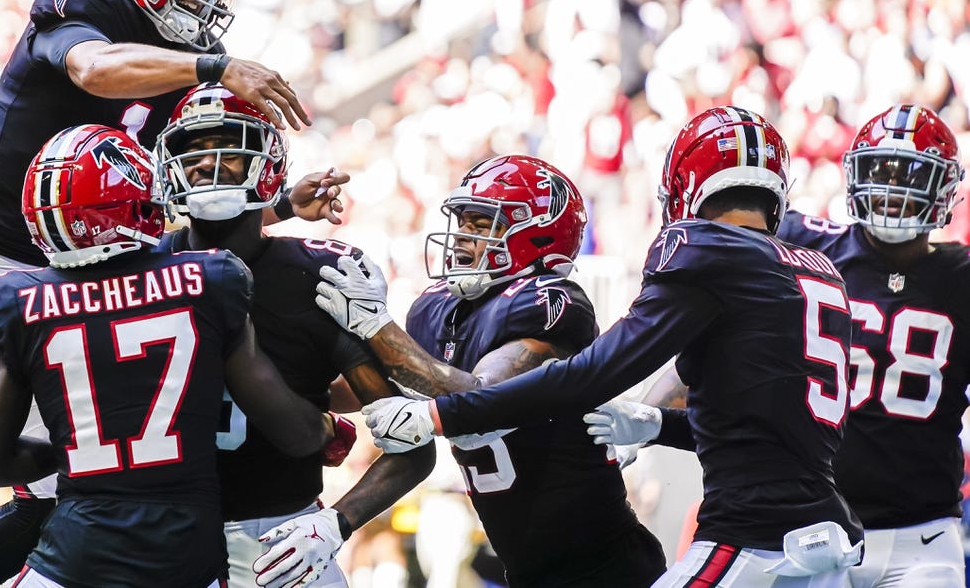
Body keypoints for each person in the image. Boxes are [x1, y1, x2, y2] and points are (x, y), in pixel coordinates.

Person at [0, 0, 337, 588]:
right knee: (64, 476)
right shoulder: (81, 0)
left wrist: (277, 204)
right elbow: (93, 69)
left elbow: (176, 195)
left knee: (105, 467)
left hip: (97, 269)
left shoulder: (189, 57)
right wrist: (217, 67)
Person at [333, 107, 866, 586]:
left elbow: (592, 375)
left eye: (483, 224)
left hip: (753, 539)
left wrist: (440, 415)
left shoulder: (703, 251)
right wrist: (659, 425)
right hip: (825, 535)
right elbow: (766, 428)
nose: (467, 238)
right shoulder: (820, 272)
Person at [0, 123, 334, 588]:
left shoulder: (18, 300)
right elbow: (295, 434)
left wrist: (85, 451)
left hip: (75, 559)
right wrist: (327, 426)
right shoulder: (210, 278)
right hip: (188, 559)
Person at [297, 154, 666, 587]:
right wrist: (306, 361)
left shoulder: (549, 301)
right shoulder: (437, 309)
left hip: (607, 568)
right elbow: (365, 385)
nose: (461, 238)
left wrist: (377, 325)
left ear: (538, 234)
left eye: (481, 224)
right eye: (463, 222)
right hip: (530, 570)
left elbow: (481, 400)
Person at [150, 84, 436, 588]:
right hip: (155, 534)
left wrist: (335, 523)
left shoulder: (322, 277)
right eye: (192, 149)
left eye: (226, 146)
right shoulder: (135, 268)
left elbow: (412, 447)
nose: (207, 163)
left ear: (266, 162)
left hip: (280, 539)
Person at [773, 104, 968, 586]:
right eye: (882, 171)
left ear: (943, 189)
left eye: (912, 176)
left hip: (922, 538)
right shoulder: (808, 247)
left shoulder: (961, 278)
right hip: (814, 527)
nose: (895, 189)